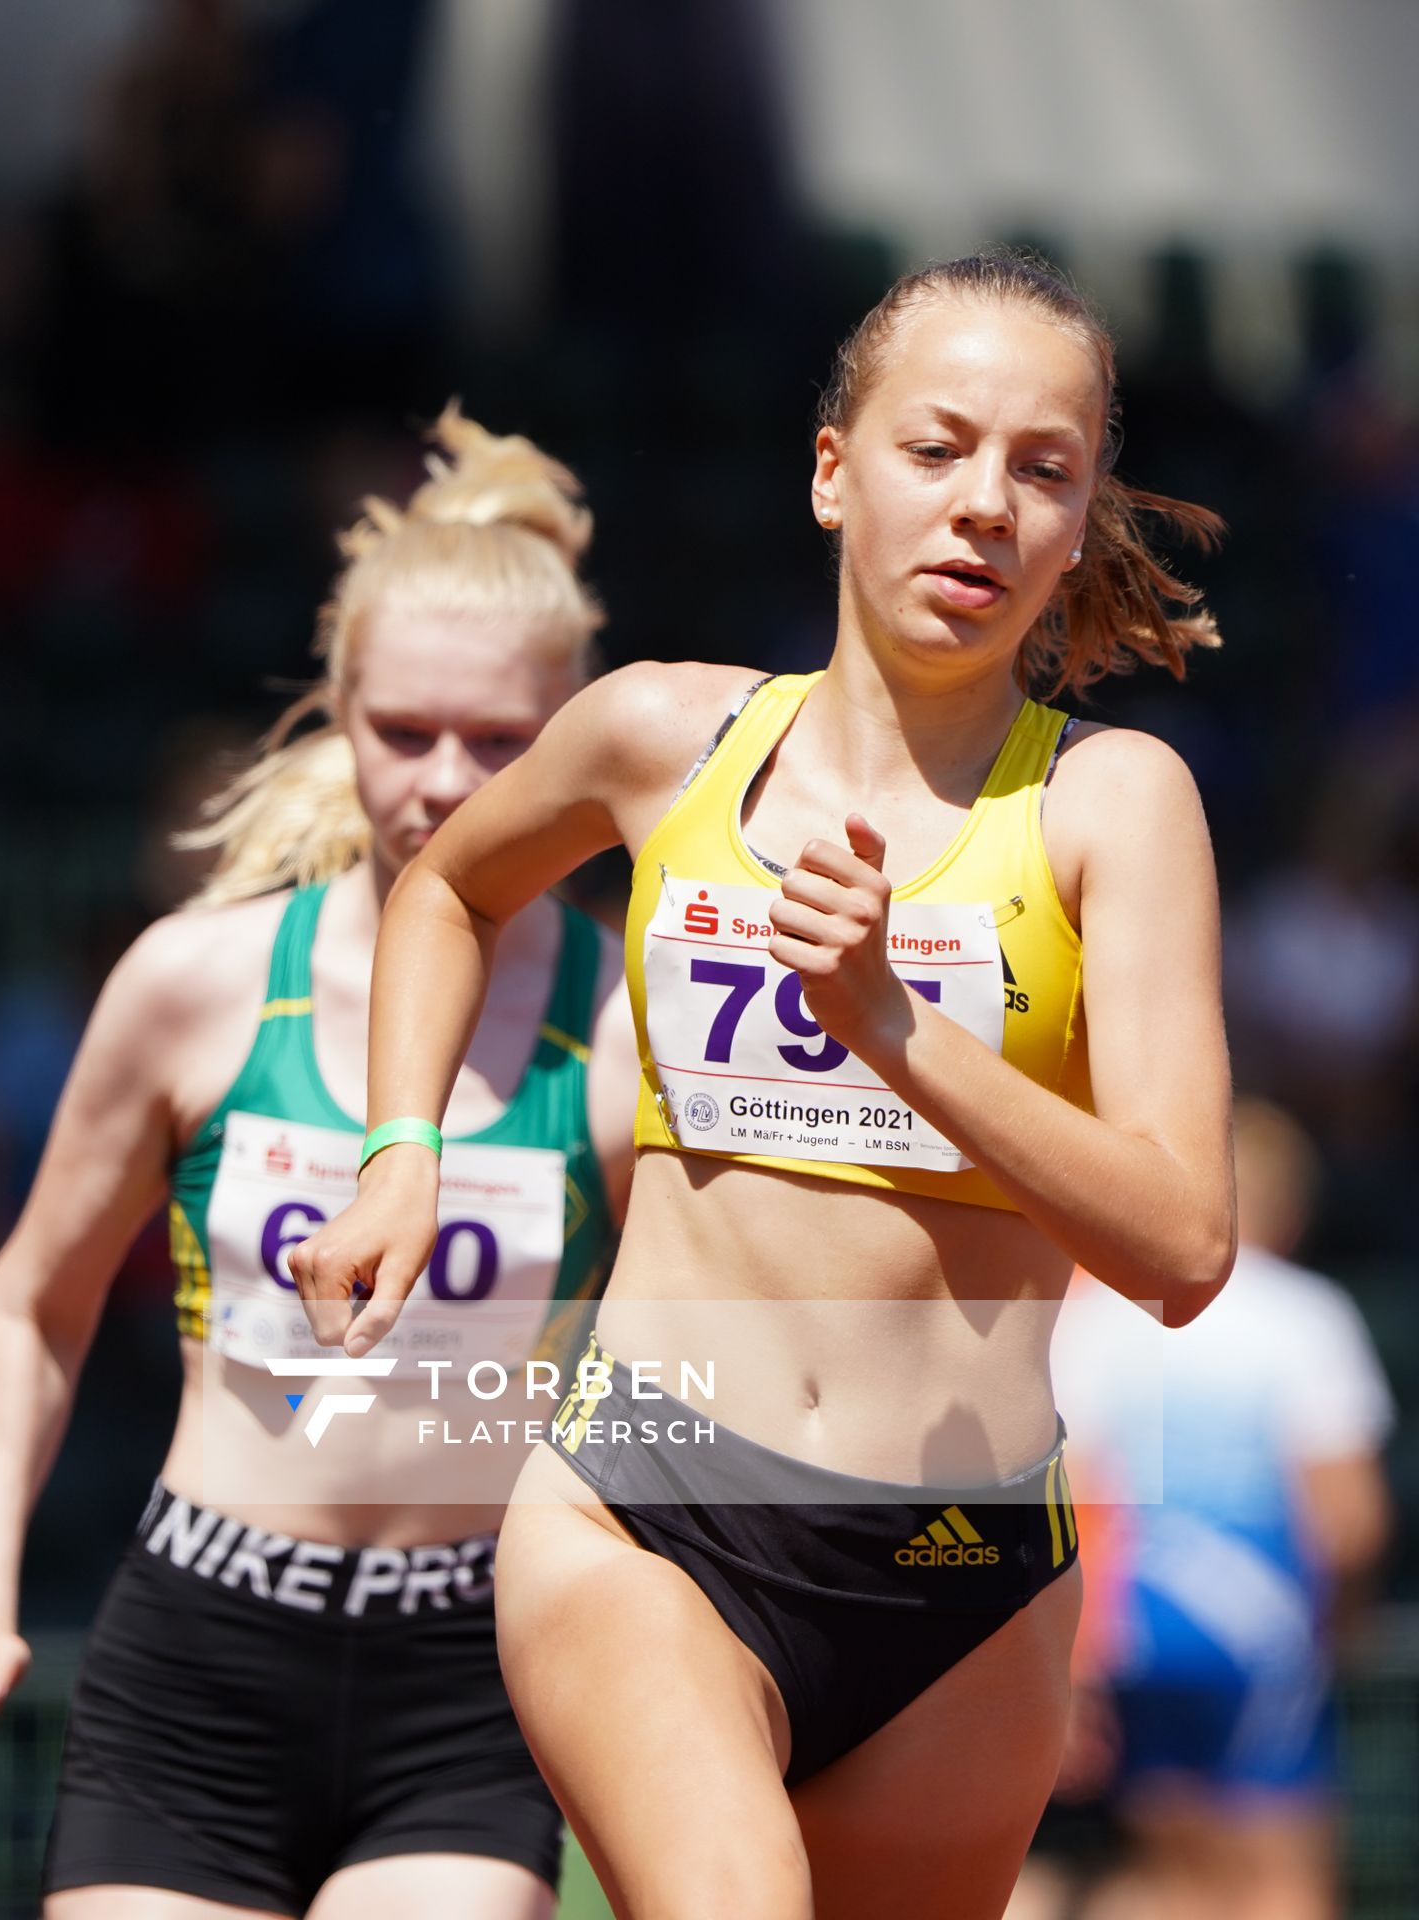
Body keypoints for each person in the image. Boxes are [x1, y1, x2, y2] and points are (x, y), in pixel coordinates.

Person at [289, 253, 1237, 1920]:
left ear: (1082, 523)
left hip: (965, 1573)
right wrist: (398, 1150)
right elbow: (445, 887)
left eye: (1043, 470)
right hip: (654, 1506)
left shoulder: (1114, 807)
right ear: (830, 472)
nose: (986, 508)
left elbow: (1181, 1245)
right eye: (935, 449)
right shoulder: (661, 740)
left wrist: (898, 1026)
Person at [0, 408, 638, 1920]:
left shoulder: (621, 1020)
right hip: (204, 1661)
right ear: (339, 709)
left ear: (571, 738)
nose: (443, 783)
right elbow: (32, 1303)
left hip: (471, 1674)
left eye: (499, 743)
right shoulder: (202, 986)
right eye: (403, 732)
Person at [1018, 1097, 1394, 1920]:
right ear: (1287, 1203)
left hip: (1137, 1634)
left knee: (1181, 1886)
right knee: (1284, 1889)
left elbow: (1072, 1500)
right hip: (1259, 1631)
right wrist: (1341, 1634)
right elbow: (1351, 1520)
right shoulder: (1304, 1314)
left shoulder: (1097, 1318)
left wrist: (1075, 1663)